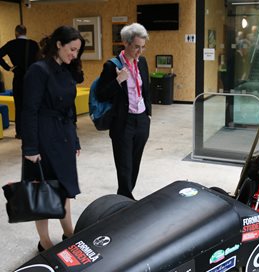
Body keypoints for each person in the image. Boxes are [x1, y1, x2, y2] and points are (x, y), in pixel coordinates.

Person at [21, 25, 85, 252]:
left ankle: (69, 233)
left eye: (77, 51)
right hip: (44, 138)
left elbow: (70, 109)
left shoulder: (66, 71)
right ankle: (45, 242)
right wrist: (30, 147)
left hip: (64, 136)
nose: (74, 55)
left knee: (64, 189)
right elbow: (29, 110)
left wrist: (75, 140)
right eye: (72, 49)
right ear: (58, 44)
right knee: (44, 194)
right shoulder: (38, 70)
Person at [97, 23, 151, 200]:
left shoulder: (142, 62)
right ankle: (125, 199)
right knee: (124, 165)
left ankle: (126, 196)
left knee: (135, 163)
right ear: (126, 43)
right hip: (123, 121)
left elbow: (146, 89)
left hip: (141, 120)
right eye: (136, 47)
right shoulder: (111, 66)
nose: (139, 51)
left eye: (142, 47)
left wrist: (147, 114)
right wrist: (118, 80)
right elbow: (101, 94)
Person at [0, 25, 40, 139]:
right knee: (33, 105)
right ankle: (33, 129)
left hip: (18, 78)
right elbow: (40, 59)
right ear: (26, 32)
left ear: (16, 32)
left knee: (19, 106)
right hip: (32, 78)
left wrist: (9, 68)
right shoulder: (33, 44)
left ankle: (20, 132)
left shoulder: (11, 44)